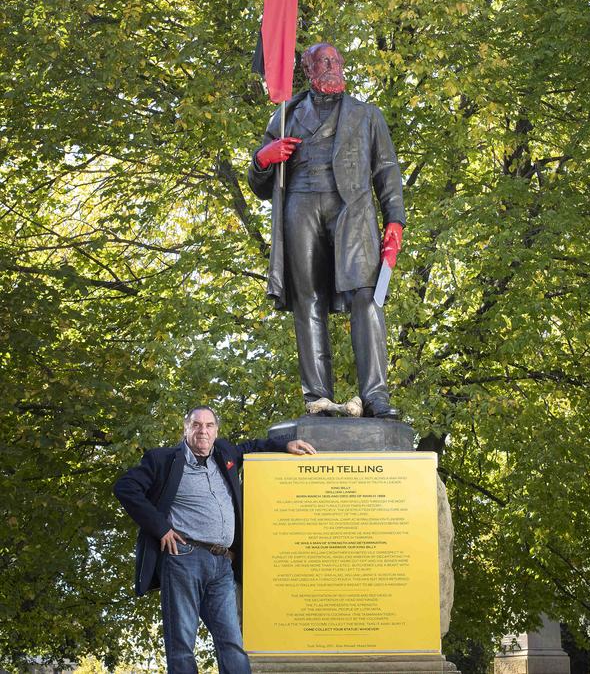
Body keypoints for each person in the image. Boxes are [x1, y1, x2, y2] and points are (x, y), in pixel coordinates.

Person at [248, 42, 406, 420]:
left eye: (336, 61)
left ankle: (376, 397)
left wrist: (395, 222)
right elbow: (258, 184)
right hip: (300, 209)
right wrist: (262, 160)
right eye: (324, 61)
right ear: (308, 68)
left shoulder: (367, 116)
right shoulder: (284, 115)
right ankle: (317, 396)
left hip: (352, 213)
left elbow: (387, 171)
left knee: (367, 299)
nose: (332, 66)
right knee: (308, 303)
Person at [114, 406, 316, 674]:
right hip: (183, 559)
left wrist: (285, 444)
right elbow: (125, 488)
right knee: (182, 643)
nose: (203, 431)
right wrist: (161, 528)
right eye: (196, 425)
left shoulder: (224, 453)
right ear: (185, 429)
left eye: (209, 426)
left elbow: (251, 446)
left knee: (232, 642)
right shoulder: (164, 459)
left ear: (216, 430)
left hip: (222, 564)